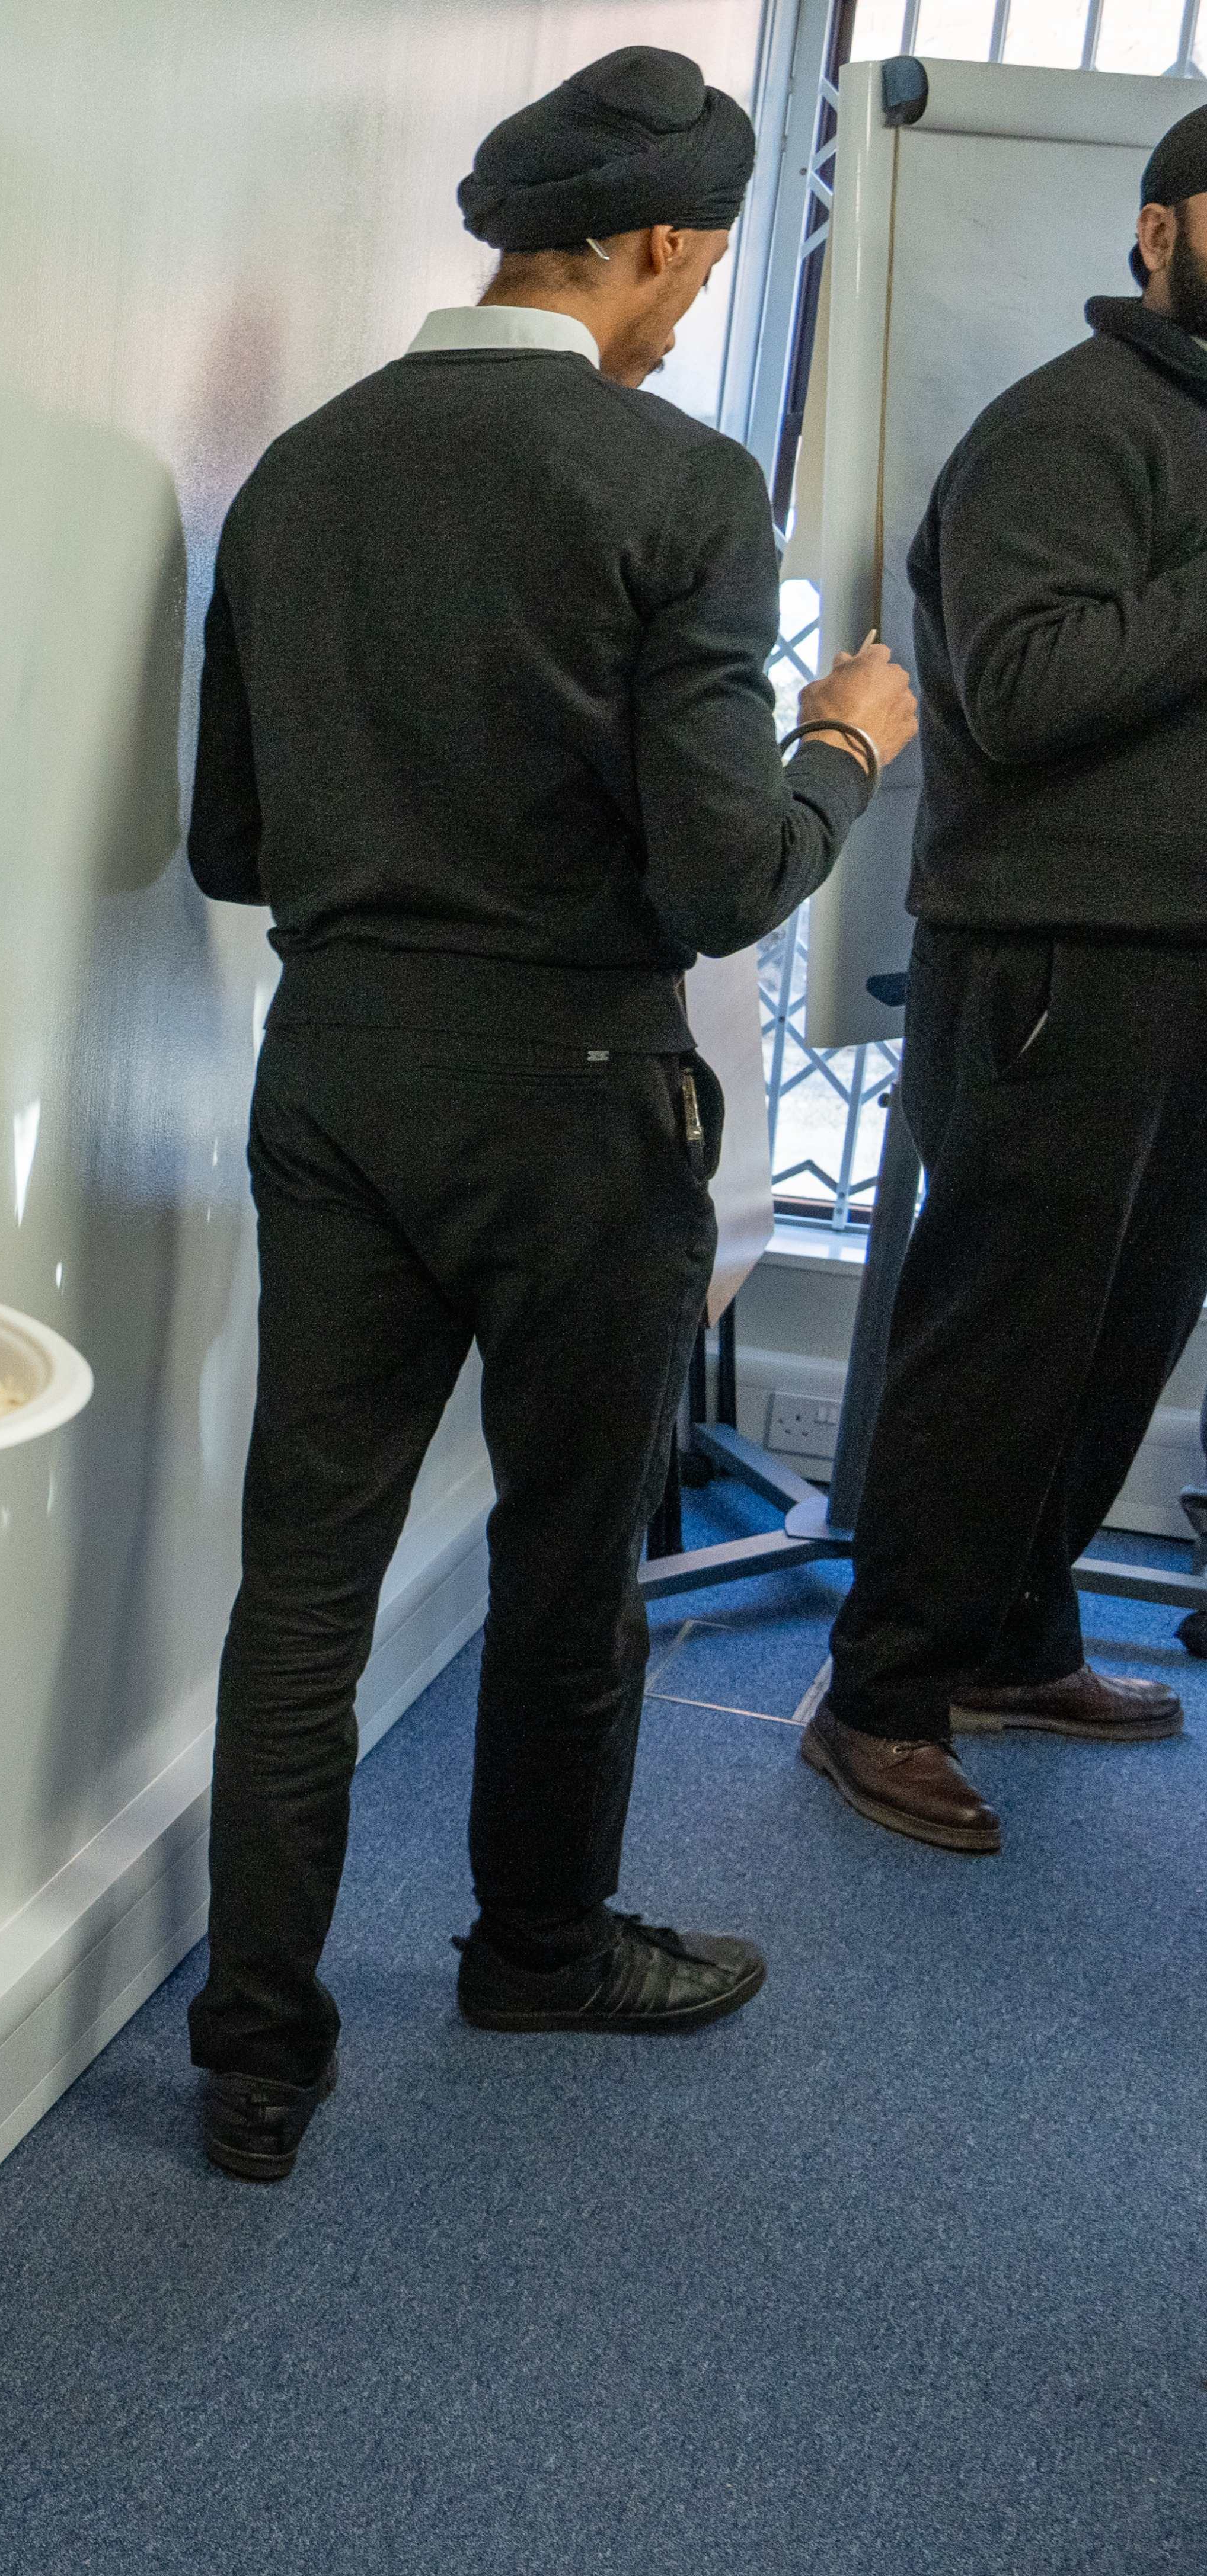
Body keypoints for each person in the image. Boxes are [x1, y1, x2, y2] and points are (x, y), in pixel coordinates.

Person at [181, 44, 919, 2184]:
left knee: (296, 1592)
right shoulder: (676, 492)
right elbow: (720, 879)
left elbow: (235, 845)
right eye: (698, 270)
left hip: (330, 1077)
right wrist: (848, 745)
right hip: (577, 1101)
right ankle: (536, 1947)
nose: (690, 312)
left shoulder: (302, 471)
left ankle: (255, 2053)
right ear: (666, 246)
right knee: (571, 1554)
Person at [797, 110, 1207, 1852]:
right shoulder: (1065, 429)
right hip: (1060, 957)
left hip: (1185, 963)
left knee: (1124, 1332)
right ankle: (880, 1692)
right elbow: (1031, 689)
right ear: (1157, 234)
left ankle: (1021, 1641)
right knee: (1001, 1342)